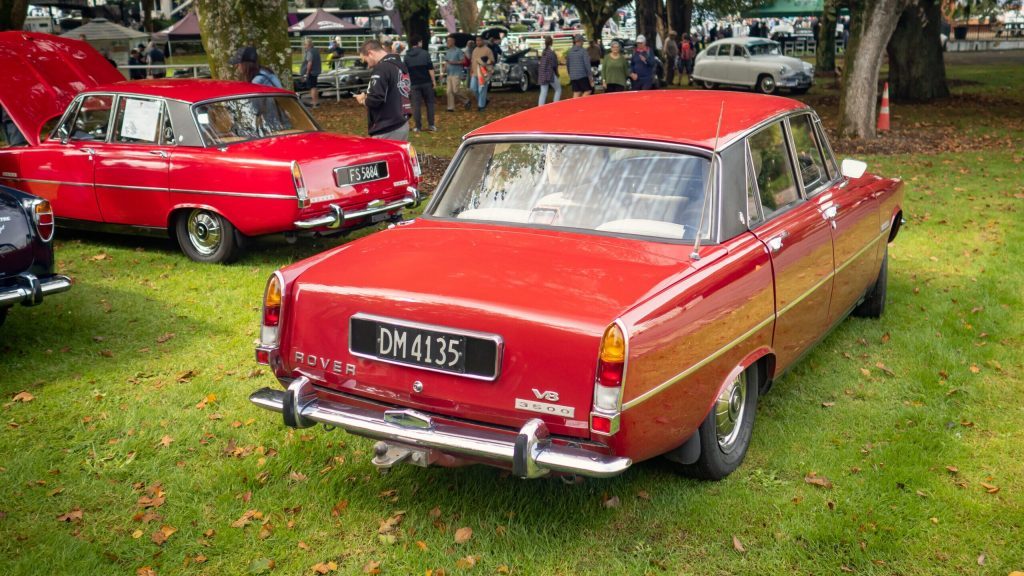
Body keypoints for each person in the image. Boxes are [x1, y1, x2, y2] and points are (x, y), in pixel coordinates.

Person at [354, 39, 411, 141]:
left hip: (387, 127)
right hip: (402, 123)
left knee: (380, 157)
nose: (368, 65)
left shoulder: (382, 68)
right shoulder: (398, 65)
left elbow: (375, 99)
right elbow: (393, 92)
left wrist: (363, 100)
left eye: (365, 60)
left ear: (370, 53)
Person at [404, 35, 436, 132]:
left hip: (414, 84)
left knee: (416, 106)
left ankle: (418, 127)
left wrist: (407, 84)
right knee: (430, 104)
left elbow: (406, 72)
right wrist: (433, 81)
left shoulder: (406, 56)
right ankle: (431, 125)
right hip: (426, 82)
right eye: (421, 42)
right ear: (418, 43)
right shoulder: (425, 53)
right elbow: (430, 68)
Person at [443, 34, 471, 111]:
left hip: (456, 73)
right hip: (449, 73)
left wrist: (454, 62)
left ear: (453, 42)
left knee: (456, 90)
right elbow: (446, 62)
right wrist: (443, 71)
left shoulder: (458, 51)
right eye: (447, 41)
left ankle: (466, 100)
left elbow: (464, 61)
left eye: (449, 41)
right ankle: (450, 107)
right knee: (449, 91)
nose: (447, 42)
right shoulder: (448, 51)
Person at [469, 34, 494, 111]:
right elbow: (472, 61)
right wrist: (471, 70)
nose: (478, 42)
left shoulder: (487, 50)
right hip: (474, 73)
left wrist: (484, 62)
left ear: (483, 41)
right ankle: (484, 100)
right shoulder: (475, 50)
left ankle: (481, 106)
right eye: (476, 40)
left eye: (479, 40)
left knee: (482, 90)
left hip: (483, 73)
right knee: (473, 89)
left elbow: (492, 61)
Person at [536, 35, 561, 106]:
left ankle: (540, 109)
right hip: (549, 74)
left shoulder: (544, 52)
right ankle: (555, 105)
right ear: (551, 43)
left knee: (543, 92)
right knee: (558, 89)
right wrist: (557, 73)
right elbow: (554, 65)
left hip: (542, 74)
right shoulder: (551, 53)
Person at [301, 38, 322, 107]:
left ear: (308, 45)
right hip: (316, 71)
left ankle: (314, 102)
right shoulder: (316, 51)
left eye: (305, 45)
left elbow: (310, 62)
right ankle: (316, 101)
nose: (304, 46)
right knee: (315, 86)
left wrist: (307, 72)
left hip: (311, 72)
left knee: (312, 87)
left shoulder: (310, 52)